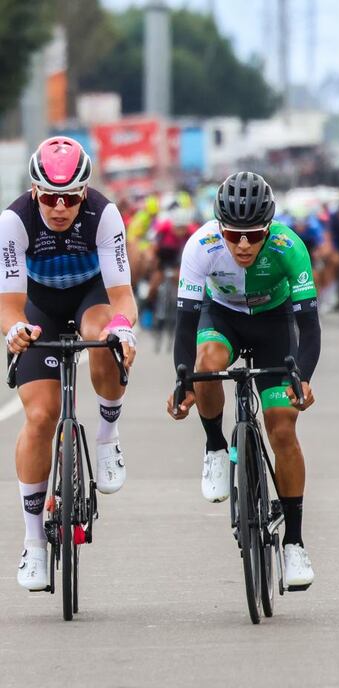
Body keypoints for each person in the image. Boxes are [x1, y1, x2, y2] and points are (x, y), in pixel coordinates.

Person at [167, 172, 320, 590]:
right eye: (234, 234)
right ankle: (216, 445)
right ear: (220, 227)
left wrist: (302, 378)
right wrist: (184, 383)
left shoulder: (290, 248)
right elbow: (183, 327)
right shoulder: (201, 246)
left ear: (268, 227)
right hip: (223, 319)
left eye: (253, 235)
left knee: (283, 427)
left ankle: (294, 542)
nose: (243, 245)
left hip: (275, 323)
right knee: (206, 361)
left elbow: (310, 327)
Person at [1, 137, 137, 591]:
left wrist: (122, 328)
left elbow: (121, 296)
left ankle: (106, 435)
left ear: (84, 193)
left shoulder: (104, 215)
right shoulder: (14, 221)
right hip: (37, 306)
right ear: (35, 191)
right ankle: (34, 543)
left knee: (104, 341)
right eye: (50, 197)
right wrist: (14, 330)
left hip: (90, 297)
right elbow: (8, 303)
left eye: (70, 198)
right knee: (40, 416)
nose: (60, 208)